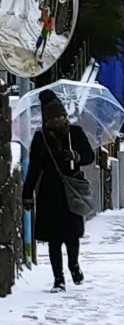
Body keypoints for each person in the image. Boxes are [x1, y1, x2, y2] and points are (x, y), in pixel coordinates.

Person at [22, 90, 96, 292]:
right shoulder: (41, 139)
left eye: (62, 116)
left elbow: (90, 157)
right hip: (49, 193)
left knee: (72, 236)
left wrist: (76, 156)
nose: (59, 120)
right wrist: (27, 195)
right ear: (47, 120)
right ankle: (58, 279)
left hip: (71, 191)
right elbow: (34, 169)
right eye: (54, 117)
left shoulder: (76, 133)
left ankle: (74, 265)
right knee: (54, 239)